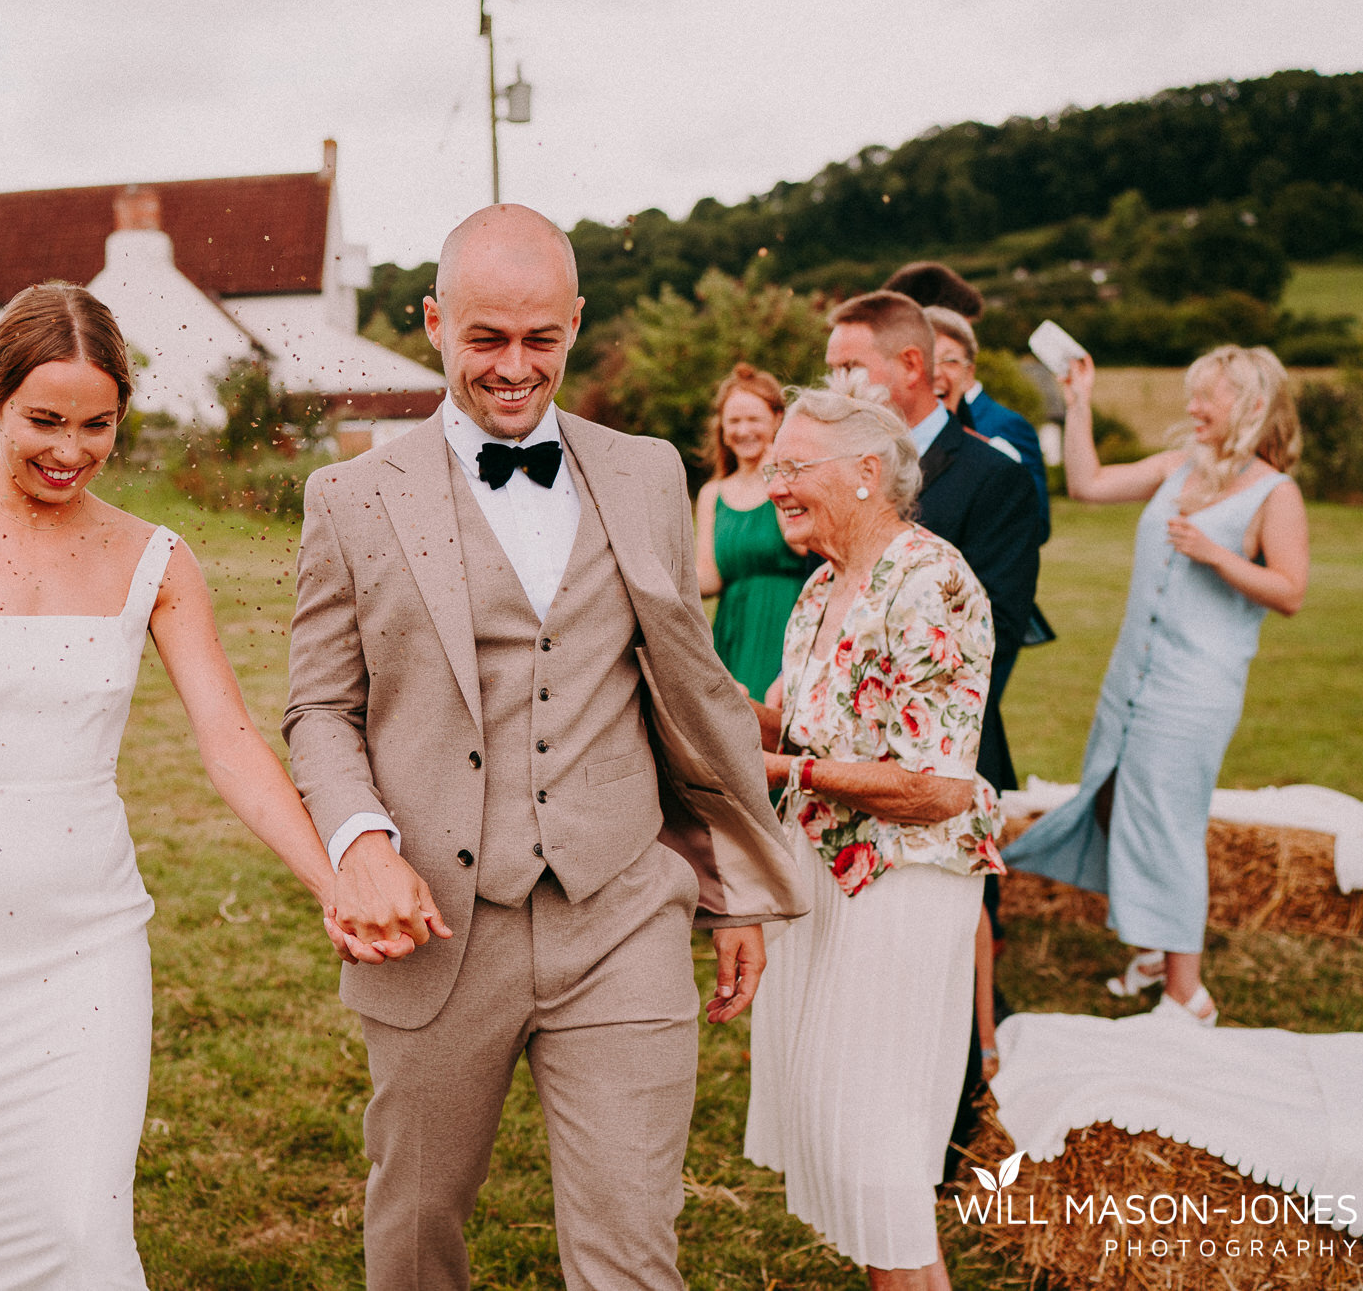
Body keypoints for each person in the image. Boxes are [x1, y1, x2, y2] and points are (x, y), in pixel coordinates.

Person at [285, 205, 805, 1291]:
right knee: (415, 1236)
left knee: (630, 1251)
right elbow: (318, 710)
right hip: (432, 929)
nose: (513, 369)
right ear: (433, 324)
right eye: (484, 340)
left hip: (620, 913)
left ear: (574, 322)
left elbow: (682, 694)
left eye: (539, 339)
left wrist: (732, 887)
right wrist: (360, 842)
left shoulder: (650, 472)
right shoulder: (347, 497)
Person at [0, 283, 346, 1290]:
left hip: (89, 939)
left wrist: (333, 879)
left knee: (82, 1232)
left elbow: (231, 740)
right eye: (45, 422)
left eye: (97, 424)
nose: (69, 450)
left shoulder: (156, 559)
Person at [741, 387, 1004, 1289]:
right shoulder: (820, 585)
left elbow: (936, 788)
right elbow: (790, 721)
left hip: (901, 886)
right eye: (771, 466)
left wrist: (790, 774)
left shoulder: (929, 580)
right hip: (821, 879)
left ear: (865, 471)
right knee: (841, 1135)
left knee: (877, 1150)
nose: (773, 484)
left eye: (791, 466)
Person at [1004, 346, 1307, 1026]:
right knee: (1112, 799)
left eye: (1209, 397)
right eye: (1193, 393)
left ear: (1250, 406)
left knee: (1169, 823)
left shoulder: (1274, 493)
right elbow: (1087, 484)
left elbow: (1290, 590)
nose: (1193, 408)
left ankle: (1186, 992)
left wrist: (1218, 555)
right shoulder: (1177, 468)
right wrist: (1078, 399)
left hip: (1194, 688)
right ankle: (1149, 945)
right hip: (1132, 676)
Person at [824, 292, 1039, 797]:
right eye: (831, 370)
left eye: (851, 367)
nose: (837, 387)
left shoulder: (995, 478)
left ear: (911, 365)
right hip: (836, 749)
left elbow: (997, 625)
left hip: (941, 753)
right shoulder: (839, 470)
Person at [696, 364, 809, 702]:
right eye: (734, 421)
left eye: (754, 419)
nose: (743, 430)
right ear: (722, 427)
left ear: (778, 419)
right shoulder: (712, 494)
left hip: (787, 622)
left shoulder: (794, 481)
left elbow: (804, 547)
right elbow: (709, 579)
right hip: (734, 629)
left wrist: (777, 472)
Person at [924, 306, 1048, 521]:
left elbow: (1036, 521)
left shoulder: (1006, 427)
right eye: (927, 361)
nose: (936, 372)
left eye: (950, 361)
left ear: (968, 372)